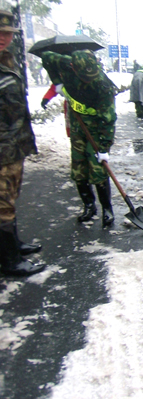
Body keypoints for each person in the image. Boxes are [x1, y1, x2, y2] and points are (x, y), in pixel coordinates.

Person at [41, 49, 117, 228]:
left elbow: (108, 119)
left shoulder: (103, 85)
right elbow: (46, 58)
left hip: (96, 130)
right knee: (78, 168)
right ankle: (89, 206)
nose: (88, 78)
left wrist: (104, 148)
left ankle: (107, 209)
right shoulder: (65, 63)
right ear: (74, 68)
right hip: (77, 126)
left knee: (98, 169)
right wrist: (57, 82)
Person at [0, 9, 46, 276]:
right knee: (2, 203)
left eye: (7, 33)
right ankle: (9, 261)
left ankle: (13, 245)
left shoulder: (7, 60)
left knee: (10, 197)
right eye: (0, 33)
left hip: (13, 146)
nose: (4, 38)